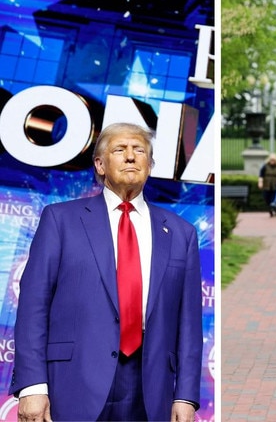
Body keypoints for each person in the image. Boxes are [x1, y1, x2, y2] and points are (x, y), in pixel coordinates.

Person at [11, 123, 203, 422]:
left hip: (150, 390)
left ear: (149, 166)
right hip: (73, 383)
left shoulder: (181, 233)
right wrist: (32, 386)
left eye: (139, 150)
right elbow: (34, 305)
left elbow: (189, 324)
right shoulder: (61, 221)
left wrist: (186, 396)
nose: (131, 157)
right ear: (99, 164)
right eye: (120, 150)